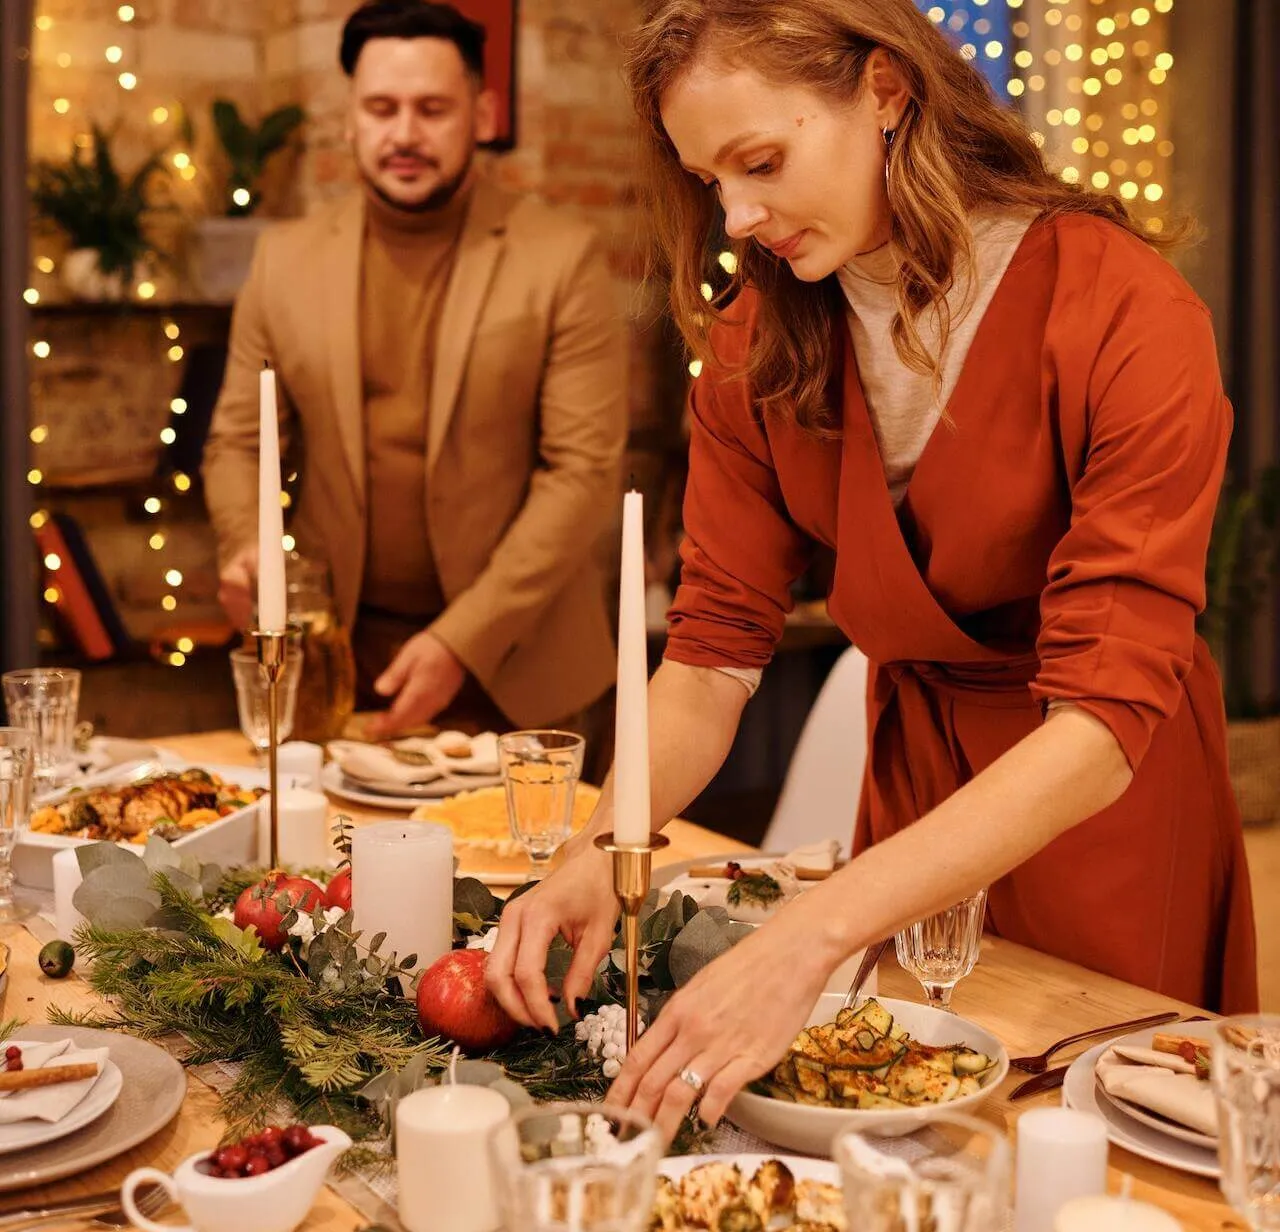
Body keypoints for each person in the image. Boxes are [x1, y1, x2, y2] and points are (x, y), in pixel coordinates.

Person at [487, 0, 1259, 1141]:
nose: (737, 217)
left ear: (886, 90)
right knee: (904, 1122)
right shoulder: (756, 340)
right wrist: (604, 847)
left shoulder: (1126, 311)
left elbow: (1101, 718)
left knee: (1090, 1144)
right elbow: (708, 656)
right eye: (709, 181)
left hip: (1100, 797)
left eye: (760, 161)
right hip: (915, 790)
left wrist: (808, 930)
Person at [203, 0, 627, 739]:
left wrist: (462, 640)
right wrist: (249, 550)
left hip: (517, 670)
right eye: (381, 108)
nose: (404, 134)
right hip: (334, 663)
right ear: (350, 118)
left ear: (483, 111)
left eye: (432, 109)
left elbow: (583, 473)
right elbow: (238, 441)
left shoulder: (563, 256)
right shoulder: (284, 260)